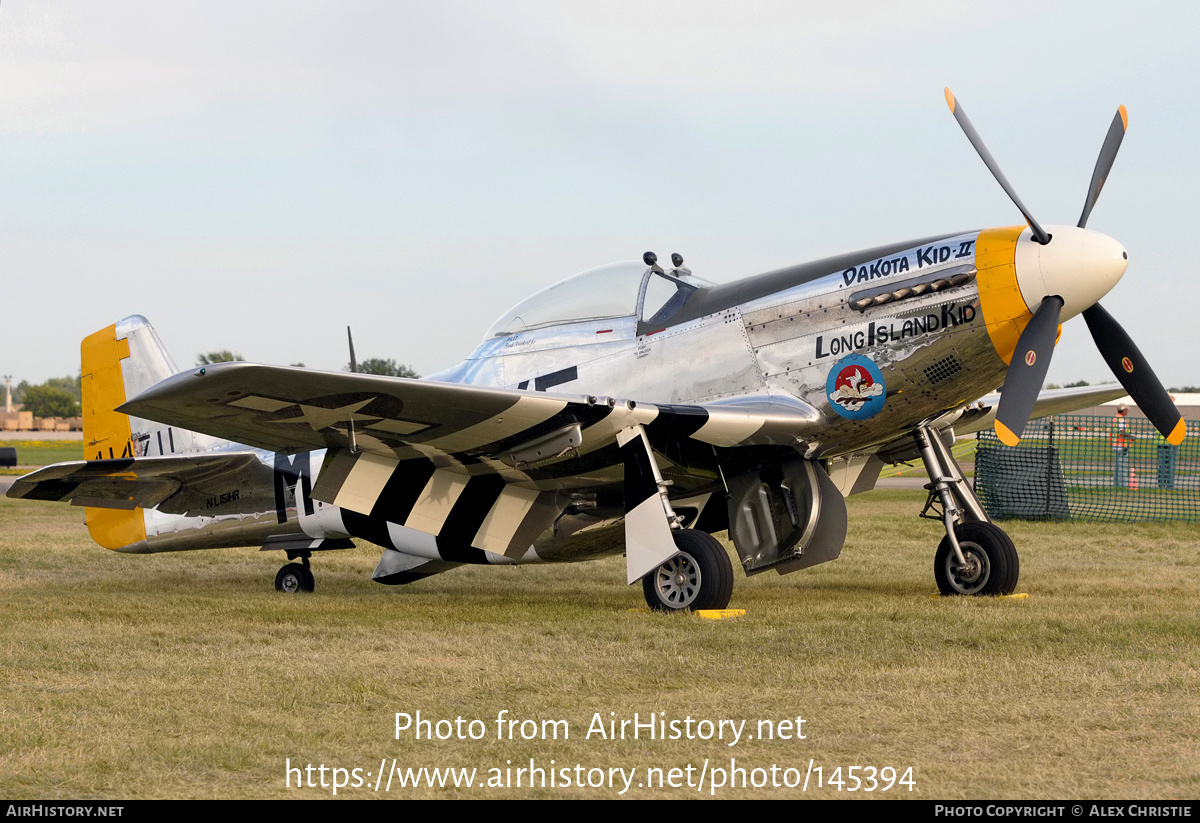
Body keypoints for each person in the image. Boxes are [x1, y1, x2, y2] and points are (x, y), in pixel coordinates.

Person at [1111, 404, 1131, 487]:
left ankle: (1117, 484)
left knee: (1118, 465)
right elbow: (1122, 431)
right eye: (1126, 409)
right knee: (1122, 466)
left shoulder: (1116, 418)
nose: (1127, 411)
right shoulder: (1121, 420)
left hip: (1116, 444)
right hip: (1121, 445)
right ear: (1123, 410)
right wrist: (1131, 437)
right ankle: (1122, 484)